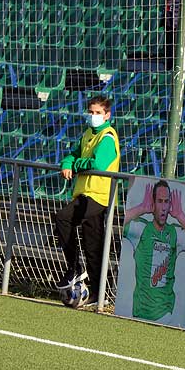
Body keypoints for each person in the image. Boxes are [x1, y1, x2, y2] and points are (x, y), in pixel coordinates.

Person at [54, 95, 121, 303]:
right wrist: (67, 163)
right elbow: (72, 154)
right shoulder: (88, 134)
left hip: (99, 195)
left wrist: (74, 166)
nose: (93, 116)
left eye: (98, 113)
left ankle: (74, 268)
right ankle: (97, 293)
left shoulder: (108, 137)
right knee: (93, 244)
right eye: (91, 112)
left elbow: (99, 164)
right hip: (86, 193)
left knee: (63, 218)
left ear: (107, 115)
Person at [121, 180, 185, 322]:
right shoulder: (141, 229)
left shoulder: (174, 232)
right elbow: (119, 222)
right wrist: (141, 208)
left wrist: (180, 215)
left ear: (170, 205)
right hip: (140, 310)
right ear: (153, 204)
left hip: (165, 313)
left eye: (166, 202)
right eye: (160, 201)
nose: (163, 207)